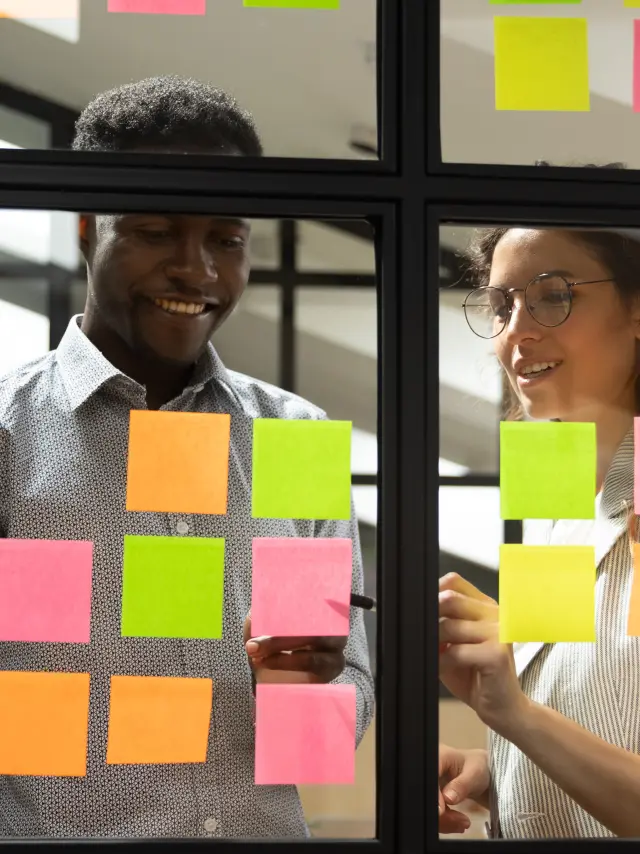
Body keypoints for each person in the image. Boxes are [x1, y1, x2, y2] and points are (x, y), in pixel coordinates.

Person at [0, 76, 374, 839]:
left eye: (226, 240)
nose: (196, 268)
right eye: (155, 230)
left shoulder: (294, 436)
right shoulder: (10, 437)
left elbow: (327, 736)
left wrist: (303, 690)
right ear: (84, 227)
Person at [438, 224, 640, 839]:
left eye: (552, 296)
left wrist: (517, 719)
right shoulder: (553, 496)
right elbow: (586, 722)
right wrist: (498, 769)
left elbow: (529, 717)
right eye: (502, 305)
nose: (517, 332)